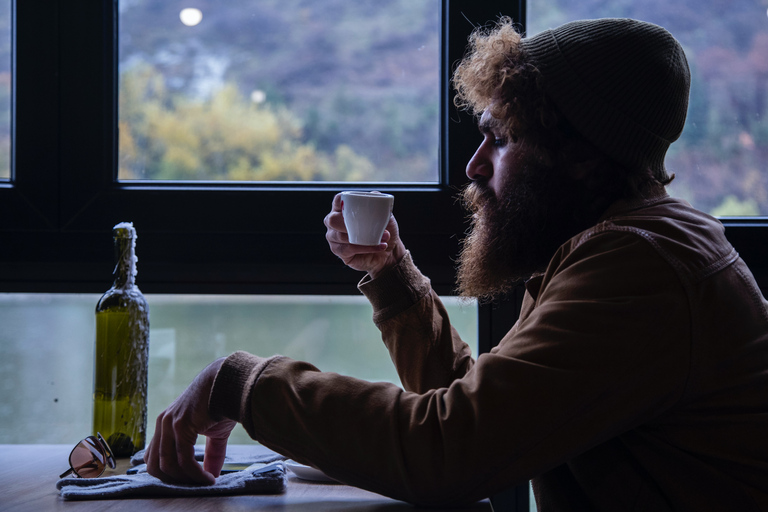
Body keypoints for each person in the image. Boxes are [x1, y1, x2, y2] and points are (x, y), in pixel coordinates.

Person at [144, 17, 768, 510]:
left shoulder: (638, 269)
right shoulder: (622, 245)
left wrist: (243, 383)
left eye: (499, 138)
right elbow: (479, 416)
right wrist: (392, 277)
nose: (474, 166)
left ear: (578, 155)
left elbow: (445, 453)